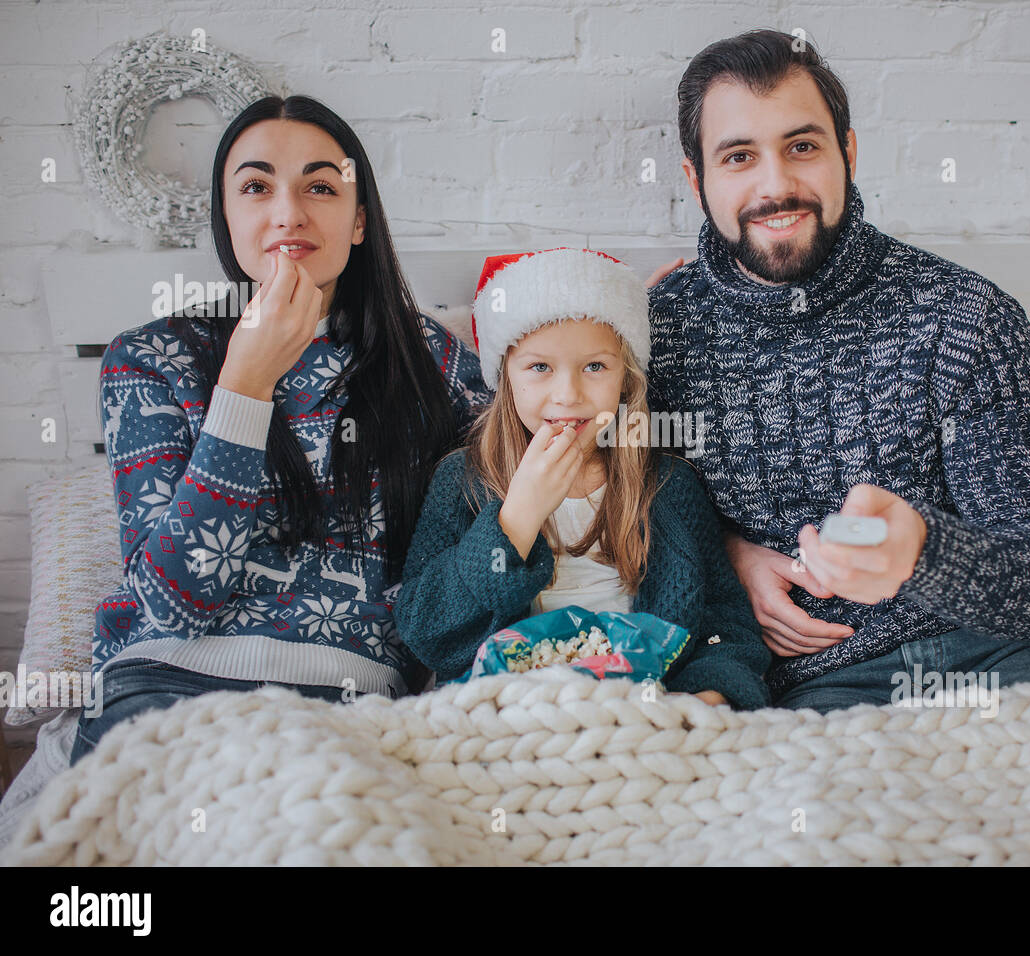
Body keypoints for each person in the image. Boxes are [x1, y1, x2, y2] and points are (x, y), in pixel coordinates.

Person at [647, 30, 1030, 714]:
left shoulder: (965, 316)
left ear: (848, 152)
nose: (775, 184)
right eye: (740, 156)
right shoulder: (657, 334)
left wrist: (923, 553)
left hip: (1019, 660)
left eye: (802, 146)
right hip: (815, 692)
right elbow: (613, 530)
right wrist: (726, 554)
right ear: (698, 180)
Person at [70, 95, 489, 764]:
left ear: (358, 222)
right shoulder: (151, 358)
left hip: (353, 714)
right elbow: (174, 607)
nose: (288, 212)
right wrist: (245, 385)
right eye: (257, 187)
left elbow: (508, 516)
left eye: (320, 187)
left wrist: (599, 345)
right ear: (227, 217)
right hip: (164, 692)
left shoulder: (433, 363)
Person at [395, 248, 771, 710]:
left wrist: (710, 694)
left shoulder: (667, 486)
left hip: (638, 708)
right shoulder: (464, 480)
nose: (568, 395)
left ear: (625, 378)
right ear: (505, 376)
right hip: (507, 710)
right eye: (539, 367)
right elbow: (425, 628)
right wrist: (517, 519)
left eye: (595, 366)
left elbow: (724, 625)